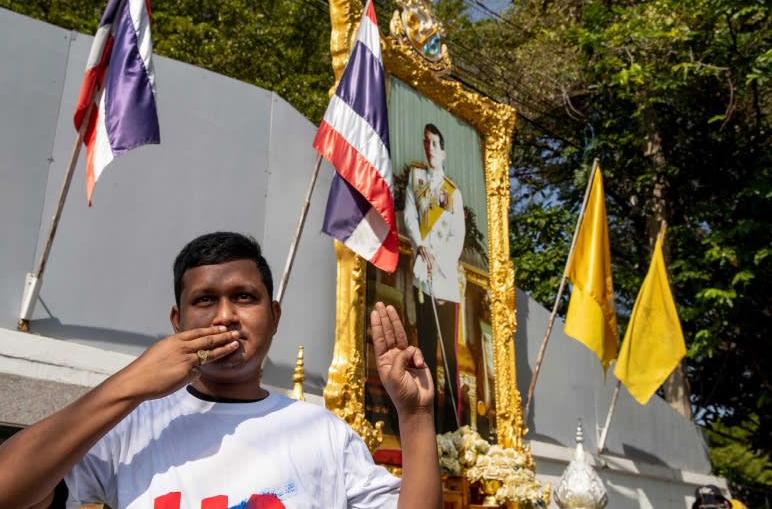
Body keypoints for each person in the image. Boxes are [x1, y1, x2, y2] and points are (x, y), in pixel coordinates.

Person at [0, 232, 441, 509]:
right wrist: (132, 382)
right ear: (178, 320)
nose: (225, 316)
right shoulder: (131, 426)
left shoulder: (324, 432)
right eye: (205, 300)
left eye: (244, 298)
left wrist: (416, 417)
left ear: (275, 316)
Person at [403, 123, 465, 433]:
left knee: (449, 357)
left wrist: (438, 271)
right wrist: (421, 246)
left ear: (443, 151)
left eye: (434, 143)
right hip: (421, 278)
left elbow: (457, 237)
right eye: (425, 142)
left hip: (445, 282)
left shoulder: (453, 192)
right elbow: (409, 216)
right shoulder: (416, 180)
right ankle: (427, 424)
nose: (429, 148)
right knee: (425, 351)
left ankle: (453, 425)